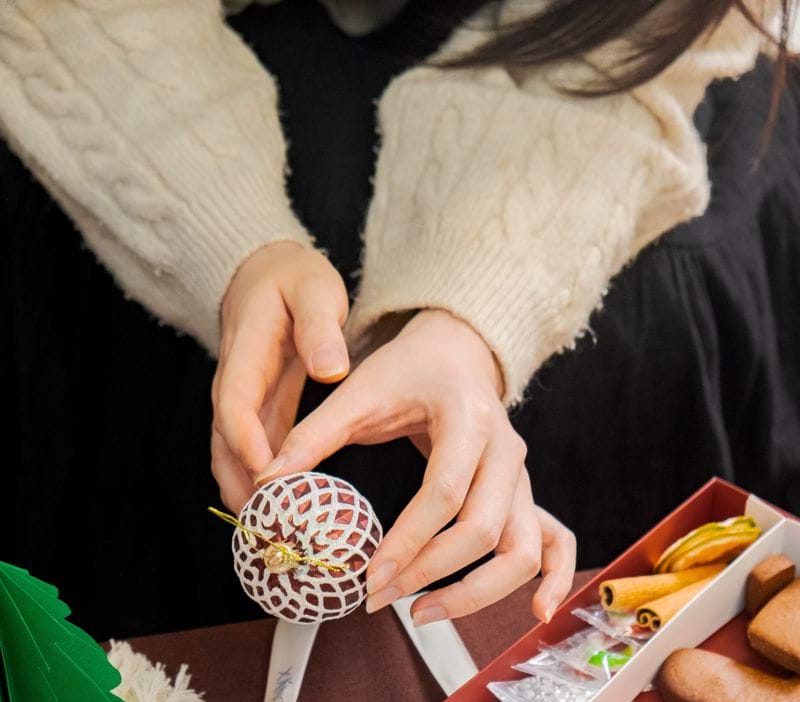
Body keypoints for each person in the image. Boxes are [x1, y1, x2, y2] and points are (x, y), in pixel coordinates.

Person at [0, 0, 796, 638]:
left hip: (618, 79)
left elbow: (651, 25)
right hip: (146, 90)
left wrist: (474, 308)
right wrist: (225, 234)